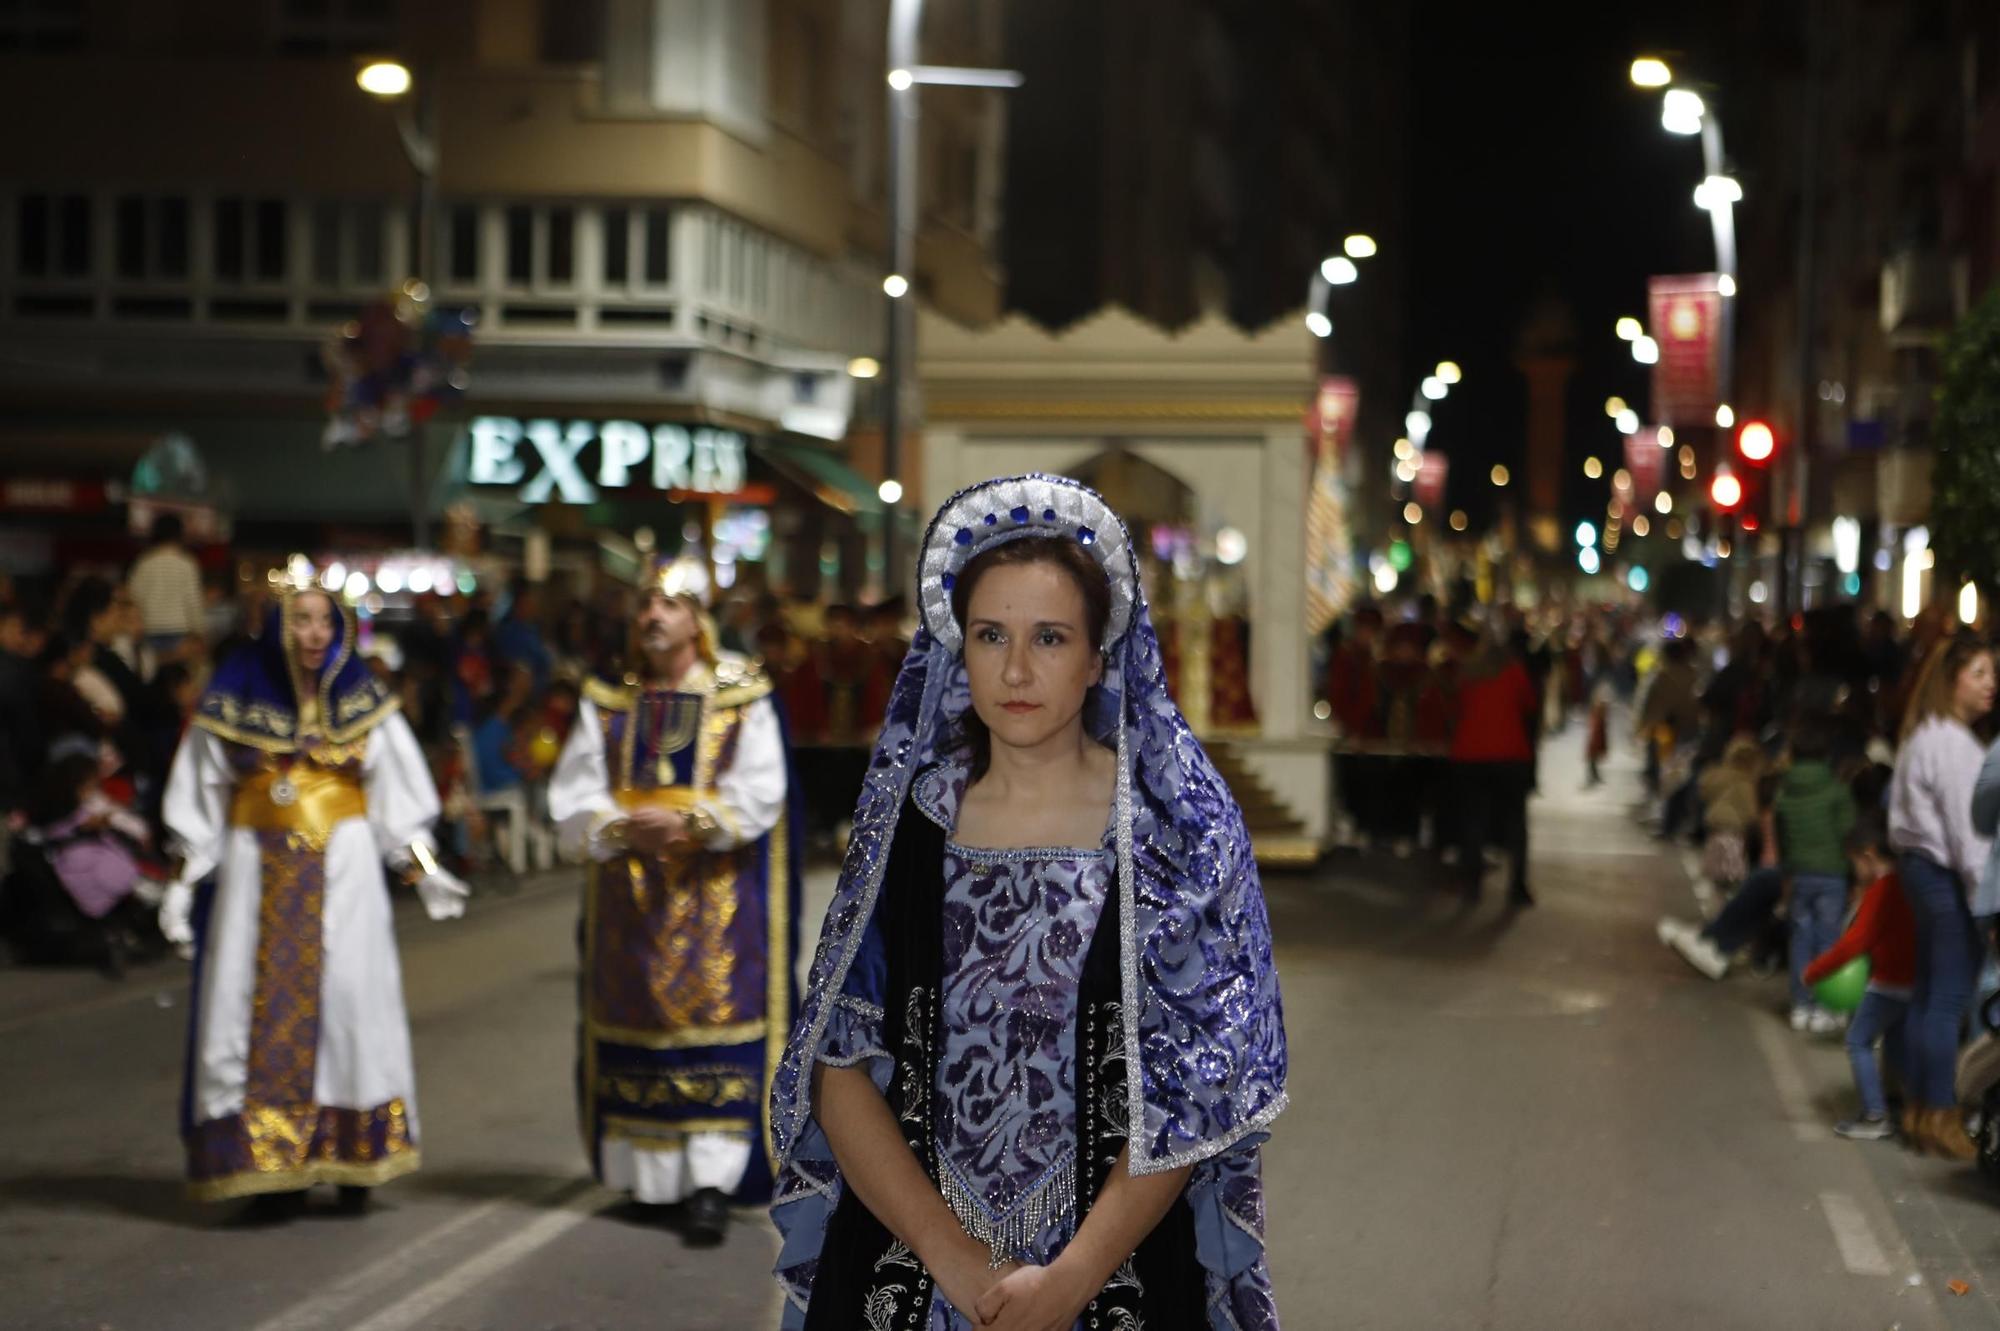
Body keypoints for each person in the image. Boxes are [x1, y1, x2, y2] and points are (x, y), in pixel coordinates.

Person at [770, 475, 1286, 1328]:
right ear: (955, 647)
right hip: (910, 1273)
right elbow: (841, 1062)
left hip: (1116, 1280)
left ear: (1097, 655)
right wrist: (955, 1259)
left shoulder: (1175, 833)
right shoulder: (909, 822)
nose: (1014, 669)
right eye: (989, 635)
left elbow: (1200, 1092)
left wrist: (1070, 1280)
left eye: (1049, 637)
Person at [157, 572, 469, 1216]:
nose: (313, 633)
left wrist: (423, 869)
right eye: (300, 619)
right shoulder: (234, 695)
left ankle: (353, 1157)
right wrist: (183, 883)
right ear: (275, 623)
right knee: (250, 1004)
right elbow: (199, 800)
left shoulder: (362, 697)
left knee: (351, 1004)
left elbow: (397, 803)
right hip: (254, 871)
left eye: (324, 620)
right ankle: (270, 1167)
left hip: (346, 872)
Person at [548, 554, 796, 1247]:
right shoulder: (609, 696)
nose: (652, 616)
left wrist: (692, 822)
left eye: (668, 605)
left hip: (712, 895)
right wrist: (616, 823)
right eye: (644, 606)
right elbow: (575, 786)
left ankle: (711, 1183)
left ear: (697, 619)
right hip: (630, 893)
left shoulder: (740, 691)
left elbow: (761, 786)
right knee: (637, 1020)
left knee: (714, 1015)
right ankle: (650, 1180)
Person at [1886, 635, 1995, 1162]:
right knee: (1947, 998)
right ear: (1952, 679)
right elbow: (1968, 836)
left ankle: (1918, 1111)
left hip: (1919, 871)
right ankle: (1939, 1115)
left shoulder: (1922, 735)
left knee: (1930, 992)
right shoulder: (1953, 745)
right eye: (1978, 673)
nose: (1990, 684)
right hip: (1944, 876)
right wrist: (1986, 901)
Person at [1802, 815, 1914, 1141]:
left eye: (1854, 863)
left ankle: (1875, 1115)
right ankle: (1906, 1108)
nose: (1854, 872)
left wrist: (1815, 971)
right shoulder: (1912, 883)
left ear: (1867, 856)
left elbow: (1856, 941)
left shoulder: (1884, 889)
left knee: (1858, 1041)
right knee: (1895, 1045)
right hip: (1915, 982)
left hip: (1888, 983)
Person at [1774, 722, 1857, 1035]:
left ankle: (1801, 1005)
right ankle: (1825, 1007)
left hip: (1799, 875)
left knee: (1801, 938)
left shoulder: (1784, 792)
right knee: (1828, 939)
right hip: (1832, 876)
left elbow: (1781, 837)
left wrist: (1786, 871)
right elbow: (1847, 833)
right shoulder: (1837, 791)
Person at [1448, 628, 1539, 907]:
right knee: (1516, 822)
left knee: (1473, 821)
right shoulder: (1513, 673)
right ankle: (1517, 886)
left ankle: (1472, 885)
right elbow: (1529, 705)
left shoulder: (1467, 674)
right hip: (1510, 756)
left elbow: (1456, 709)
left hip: (1470, 756)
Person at [127, 513, 207, 669]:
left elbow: (134, 598)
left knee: (152, 680)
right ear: (179, 534)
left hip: (149, 630)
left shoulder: (143, 563)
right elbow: (193, 602)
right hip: (180, 632)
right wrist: (199, 633)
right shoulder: (187, 564)